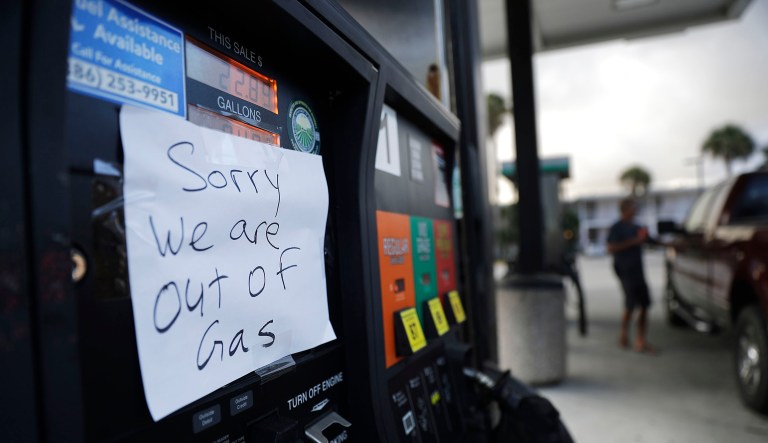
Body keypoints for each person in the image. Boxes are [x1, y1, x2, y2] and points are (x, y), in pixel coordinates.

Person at [607, 197, 657, 354]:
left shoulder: (637, 227)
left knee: (644, 305)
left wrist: (673, 244)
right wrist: (634, 241)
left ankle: (640, 339)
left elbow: (650, 241)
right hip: (625, 271)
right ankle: (624, 334)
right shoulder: (616, 228)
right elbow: (611, 248)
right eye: (632, 207)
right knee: (630, 305)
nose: (635, 210)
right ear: (625, 210)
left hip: (638, 271)